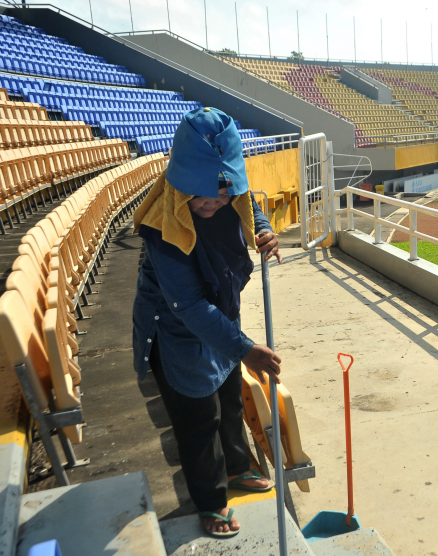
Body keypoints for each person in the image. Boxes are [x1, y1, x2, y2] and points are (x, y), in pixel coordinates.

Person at [132, 107, 282, 538]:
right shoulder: (165, 226)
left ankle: (237, 467)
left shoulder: (233, 197)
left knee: (230, 400)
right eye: (202, 195)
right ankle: (211, 501)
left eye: (222, 192)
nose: (213, 202)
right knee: (200, 420)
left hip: (221, 319)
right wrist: (246, 348)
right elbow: (191, 307)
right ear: (181, 185)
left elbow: (253, 209)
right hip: (180, 332)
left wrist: (267, 232)